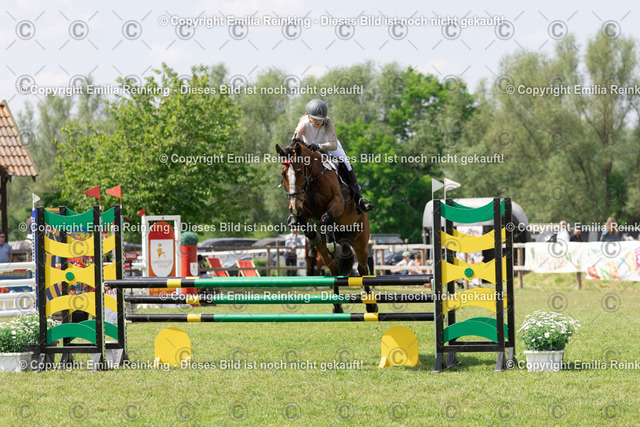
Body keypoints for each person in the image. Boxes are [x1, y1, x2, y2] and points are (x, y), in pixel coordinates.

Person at [292, 99, 374, 215]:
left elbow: (333, 144)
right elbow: (293, 143)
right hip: (311, 152)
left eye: (320, 119)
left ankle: (359, 200)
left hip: (330, 149)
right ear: (308, 116)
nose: (318, 122)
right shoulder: (302, 125)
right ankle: (294, 206)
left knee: (346, 164)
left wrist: (319, 146)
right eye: (315, 119)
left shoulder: (328, 122)